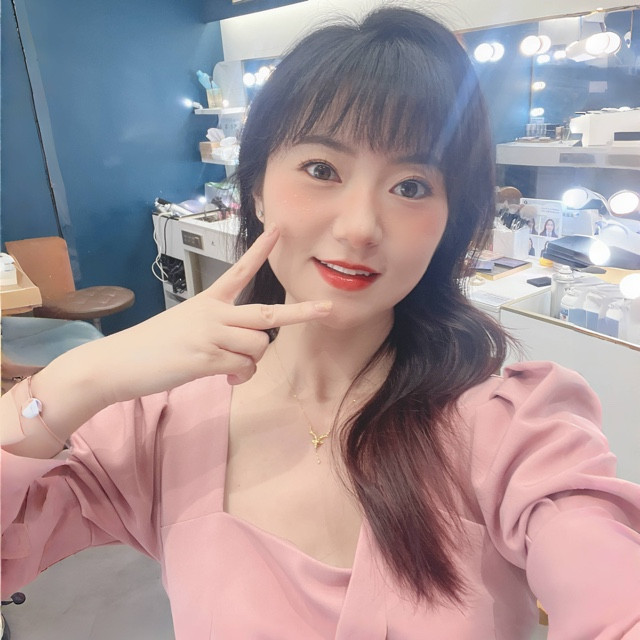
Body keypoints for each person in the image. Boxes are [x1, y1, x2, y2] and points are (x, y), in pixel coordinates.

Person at [2, 7, 640, 639]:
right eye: (322, 170)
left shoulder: (511, 430)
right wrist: (80, 376)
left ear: (450, 219)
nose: (360, 227)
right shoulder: (162, 424)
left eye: (412, 186)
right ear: (256, 189)